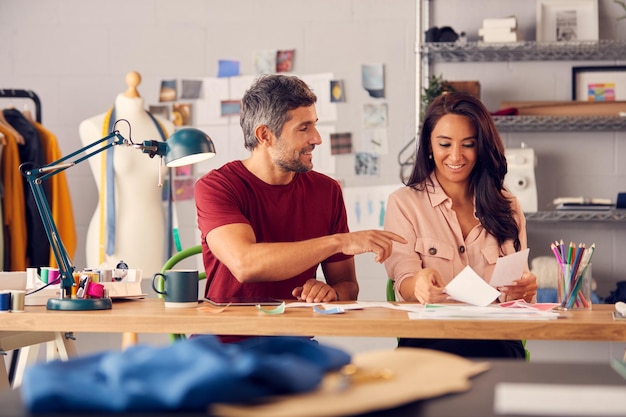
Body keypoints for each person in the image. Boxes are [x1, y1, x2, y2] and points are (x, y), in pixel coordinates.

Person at [195, 74, 406, 342]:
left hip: (295, 346)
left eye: (315, 126)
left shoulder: (327, 191)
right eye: (304, 128)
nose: (317, 138)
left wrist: (330, 293)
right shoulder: (217, 186)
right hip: (224, 348)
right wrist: (339, 242)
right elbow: (245, 264)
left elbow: (348, 289)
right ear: (265, 135)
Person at [383, 91, 538, 359]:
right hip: (431, 338)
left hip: (495, 339)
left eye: (468, 144)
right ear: (429, 145)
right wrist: (418, 284)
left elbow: (520, 292)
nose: (456, 156)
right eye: (445, 144)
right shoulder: (404, 204)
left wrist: (525, 289)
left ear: (482, 146)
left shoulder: (508, 206)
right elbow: (404, 279)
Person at [79, 71, 174, 278]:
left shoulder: (167, 129)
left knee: (153, 301)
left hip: (153, 232)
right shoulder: (94, 127)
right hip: (113, 236)